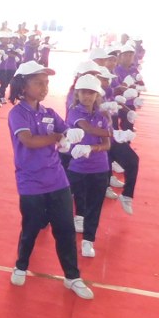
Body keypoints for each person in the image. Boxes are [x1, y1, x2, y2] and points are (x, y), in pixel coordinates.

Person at [7, 61, 94, 299]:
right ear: (23, 86)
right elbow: (29, 140)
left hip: (57, 179)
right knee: (31, 227)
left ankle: (72, 276)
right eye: (38, 83)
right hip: (30, 182)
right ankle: (21, 265)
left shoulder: (49, 113)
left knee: (65, 229)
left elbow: (65, 132)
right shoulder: (17, 114)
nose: (44, 88)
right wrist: (57, 137)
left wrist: (71, 135)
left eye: (46, 83)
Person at [65, 74, 114, 258]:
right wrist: (112, 132)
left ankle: (88, 241)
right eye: (83, 92)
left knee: (95, 206)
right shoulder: (74, 112)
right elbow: (88, 129)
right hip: (76, 167)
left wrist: (92, 148)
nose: (87, 96)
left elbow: (107, 145)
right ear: (77, 94)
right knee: (64, 199)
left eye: (91, 93)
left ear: (97, 95)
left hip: (99, 168)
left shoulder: (102, 114)